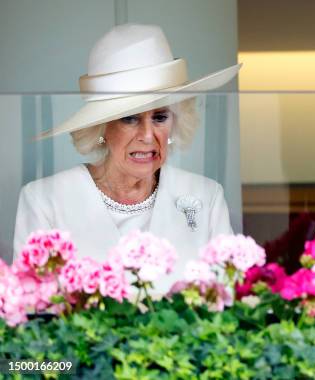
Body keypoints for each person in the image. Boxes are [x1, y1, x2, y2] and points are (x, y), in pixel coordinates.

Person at [13, 24, 241, 292]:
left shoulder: (206, 197)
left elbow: (228, 301)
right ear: (101, 128)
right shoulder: (45, 200)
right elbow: (33, 311)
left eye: (160, 117)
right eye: (129, 118)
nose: (147, 135)